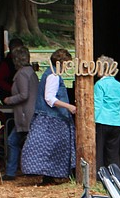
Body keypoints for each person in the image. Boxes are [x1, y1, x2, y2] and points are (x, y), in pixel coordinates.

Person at [20, 49, 77, 185]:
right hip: (52, 119)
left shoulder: (50, 73)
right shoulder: (53, 76)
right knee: (53, 147)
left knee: (52, 149)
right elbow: (50, 98)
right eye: (67, 64)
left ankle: (50, 176)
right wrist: (68, 107)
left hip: (49, 117)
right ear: (60, 63)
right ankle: (51, 175)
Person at [2, 45, 38, 180]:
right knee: (23, 142)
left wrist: (8, 100)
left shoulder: (22, 74)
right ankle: (19, 170)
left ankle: (11, 172)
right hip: (30, 113)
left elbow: (24, 95)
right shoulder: (30, 72)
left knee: (13, 141)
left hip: (24, 115)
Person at [93, 56, 120, 173]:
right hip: (116, 121)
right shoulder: (119, 85)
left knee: (99, 151)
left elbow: (98, 105)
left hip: (102, 120)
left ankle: (99, 176)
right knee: (113, 152)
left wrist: (93, 121)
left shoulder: (99, 85)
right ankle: (116, 175)